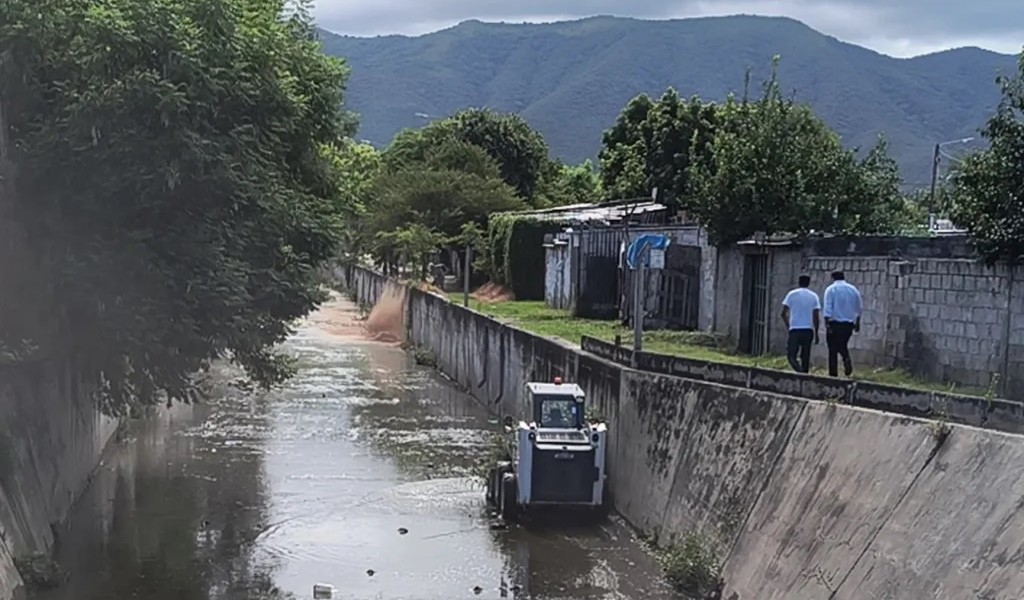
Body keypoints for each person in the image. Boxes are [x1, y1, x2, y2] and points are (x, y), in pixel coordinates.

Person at [823, 270, 863, 377]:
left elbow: (827, 308)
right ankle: (846, 358)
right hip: (848, 324)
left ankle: (833, 373)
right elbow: (858, 308)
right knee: (842, 344)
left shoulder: (830, 289)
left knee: (832, 349)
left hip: (834, 323)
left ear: (833, 278)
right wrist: (857, 323)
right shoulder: (853, 289)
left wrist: (826, 324)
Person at [781, 274, 820, 373]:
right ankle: (804, 375)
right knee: (805, 356)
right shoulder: (813, 296)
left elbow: (783, 314)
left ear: (799, 282)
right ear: (809, 283)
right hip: (808, 330)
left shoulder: (792, 294)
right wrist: (816, 332)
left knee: (791, 356)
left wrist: (788, 326)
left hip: (795, 329)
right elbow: (816, 316)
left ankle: (799, 371)